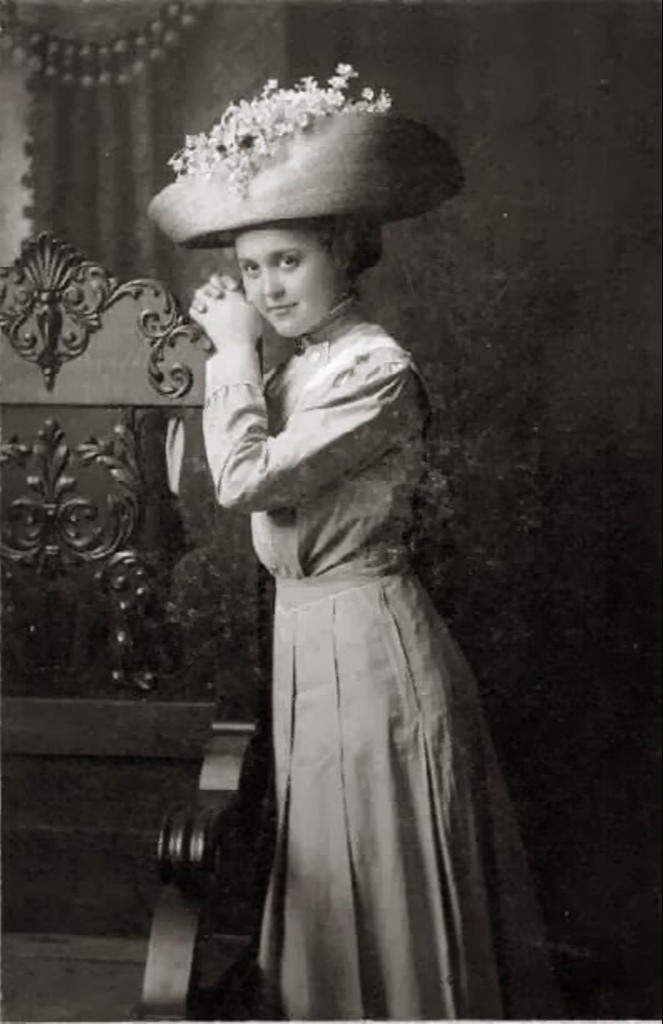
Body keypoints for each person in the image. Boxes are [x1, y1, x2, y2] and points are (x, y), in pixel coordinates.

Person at [149, 65, 562, 1021]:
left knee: (381, 867)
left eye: (287, 261)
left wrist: (232, 355)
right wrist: (225, 370)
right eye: (251, 268)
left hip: (370, 646)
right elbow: (203, 483)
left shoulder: (373, 370)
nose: (266, 288)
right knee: (328, 876)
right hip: (305, 638)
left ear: (341, 251)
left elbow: (246, 480)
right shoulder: (298, 369)